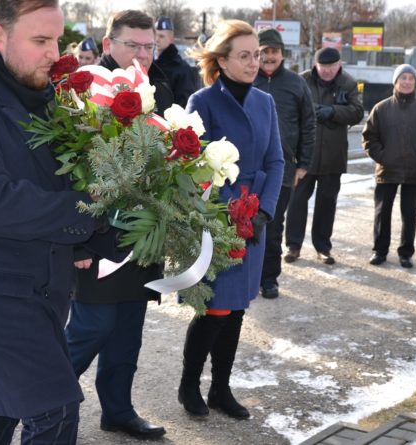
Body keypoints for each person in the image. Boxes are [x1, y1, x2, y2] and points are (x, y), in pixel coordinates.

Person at [0, 1, 118, 443]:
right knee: (54, 408)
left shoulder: (41, 93)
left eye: (58, 40)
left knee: (3, 405)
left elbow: (56, 177)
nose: (55, 53)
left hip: (37, 280)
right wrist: (91, 208)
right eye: (41, 40)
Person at [65, 10, 172, 440]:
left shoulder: (156, 90)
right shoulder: (85, 91)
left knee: (127, 333)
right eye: (133, 45)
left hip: (140, 237)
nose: (143, 54)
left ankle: (118, 410)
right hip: (95, 240)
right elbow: (66, 171)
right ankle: (44, 405)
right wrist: (77, 243)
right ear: (108, 44)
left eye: (150, 46)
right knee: (90, 329)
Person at [178, 19, 284, 419]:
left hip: (254, 218)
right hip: (216, 220)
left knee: (236, 308)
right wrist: (227, 212)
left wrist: (263, 210)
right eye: (245, 55)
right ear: (221, 60)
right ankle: (189, 385)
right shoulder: (202, 101)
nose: (254, 62)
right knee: (213, 308)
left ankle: (220, 388)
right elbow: (192, 166)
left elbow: (276, 161)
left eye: (257, 54)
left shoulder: (265, 102)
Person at [286, 46, 364, 266]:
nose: (328, 70)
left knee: (327, 203)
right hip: (304, 156)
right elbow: (291, 109)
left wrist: (333, 111)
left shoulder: (348, 83)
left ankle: (323, 247)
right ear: (315, 65)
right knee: (297, 202)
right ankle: (293, 246)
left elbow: (357, 112)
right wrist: (311, 109)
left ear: (339, 65)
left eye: (332, 66)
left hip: (333, 155)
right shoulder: (302, 81)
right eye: (323, 66)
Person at [252, 27, 314, 299]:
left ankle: (269, 279)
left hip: (283, 168)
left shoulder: (296, 84)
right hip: (246, 167)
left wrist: (303, 164)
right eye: (263, 51)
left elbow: (308, 125)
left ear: (282, 54)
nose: (269, 56)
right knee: (242, 222)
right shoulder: (246, 79)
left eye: (274, 51)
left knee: (273, 226)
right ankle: (246, 276)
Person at [363, 64, 416, 268]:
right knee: (382, 212)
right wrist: (382, 156)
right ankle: (380, 251)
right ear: (395, 81)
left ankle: (406, 253)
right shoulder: (381, 108)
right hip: (386, 170)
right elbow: (369, 137)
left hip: (414, 171)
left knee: (410, 214)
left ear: (415, 82)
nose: (407, 82)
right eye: (403, 78)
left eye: (410, 78)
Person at [154, 15, 196, 107]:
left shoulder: (182, 69)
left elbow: (185, 104)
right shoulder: (149, 62)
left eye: (161, 36)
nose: (156, 39)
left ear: (171, 39)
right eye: (155, 35)